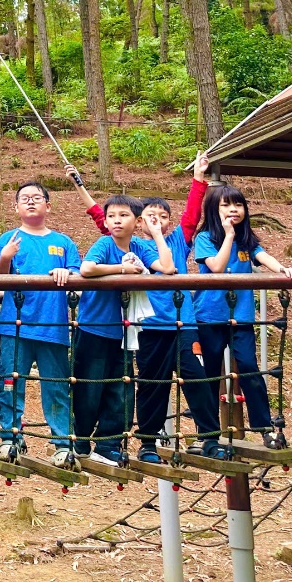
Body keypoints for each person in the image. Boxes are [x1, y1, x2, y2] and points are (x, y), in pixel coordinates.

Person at [193, 181, 292, 449]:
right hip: (209, 316)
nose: (233, 209)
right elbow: (216, 268)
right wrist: (228, 236)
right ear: (213, 210)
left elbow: (263, 256)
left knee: (250, 368)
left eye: (238, 204)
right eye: (226, 204)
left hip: (240, 317)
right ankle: (207, 434)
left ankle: (265, 427)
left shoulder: (246, 240)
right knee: (210, 374)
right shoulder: (205, 238)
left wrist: (283, 269)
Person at [74, 195, 174, 463]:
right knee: (89, 387)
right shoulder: (105, 243)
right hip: (95, 327)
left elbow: (167, 267)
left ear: (137, 221)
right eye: (112, 216)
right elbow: (87, 268)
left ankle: (108, 445)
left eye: (124, 215)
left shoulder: (140, 246)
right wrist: (123, 269)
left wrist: (156, 233)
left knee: (121, 389)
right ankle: (81, 441)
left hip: (125, 332)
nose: (117, 220)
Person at [133, 186, 224, 462]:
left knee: (198, 377)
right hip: (150, 327)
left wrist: (198, 181)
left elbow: (191, 216)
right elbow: (108, 223)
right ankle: (148, 442)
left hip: (184, 324)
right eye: (151, 216)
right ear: (139, 221)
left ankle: (209, 438)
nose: (157, 220)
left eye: (163, 216)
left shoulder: (178, 241)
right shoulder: (134, 245)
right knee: (152, 383)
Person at [0, 180, 81, 465]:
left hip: (53, 327)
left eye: (37, 197)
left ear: (48, 205)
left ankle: (62, 442)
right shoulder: (9, 238)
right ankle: (10, 438)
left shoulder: (64, 242)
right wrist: (5, 257)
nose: (31, 202)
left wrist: (65, 272)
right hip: (14, 325)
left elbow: (77, 275)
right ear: (16, 206)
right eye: (25, 198)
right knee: (9, 383)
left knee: (56, 385)